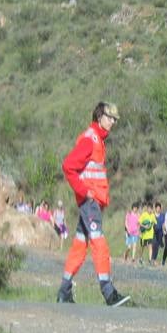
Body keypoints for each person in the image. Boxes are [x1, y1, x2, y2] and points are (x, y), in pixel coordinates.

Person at [56, 102, 130, 306]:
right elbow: (68, 166)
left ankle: (64, 291)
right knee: (99, 242)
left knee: (80, 243)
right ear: (100, 116)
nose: (113, 122)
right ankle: (108, 291)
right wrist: (84, 191)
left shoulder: (97, 140)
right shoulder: (91, 140)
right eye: (110, 117)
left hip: (92, 201)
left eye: (115, 119)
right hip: (90, 201)